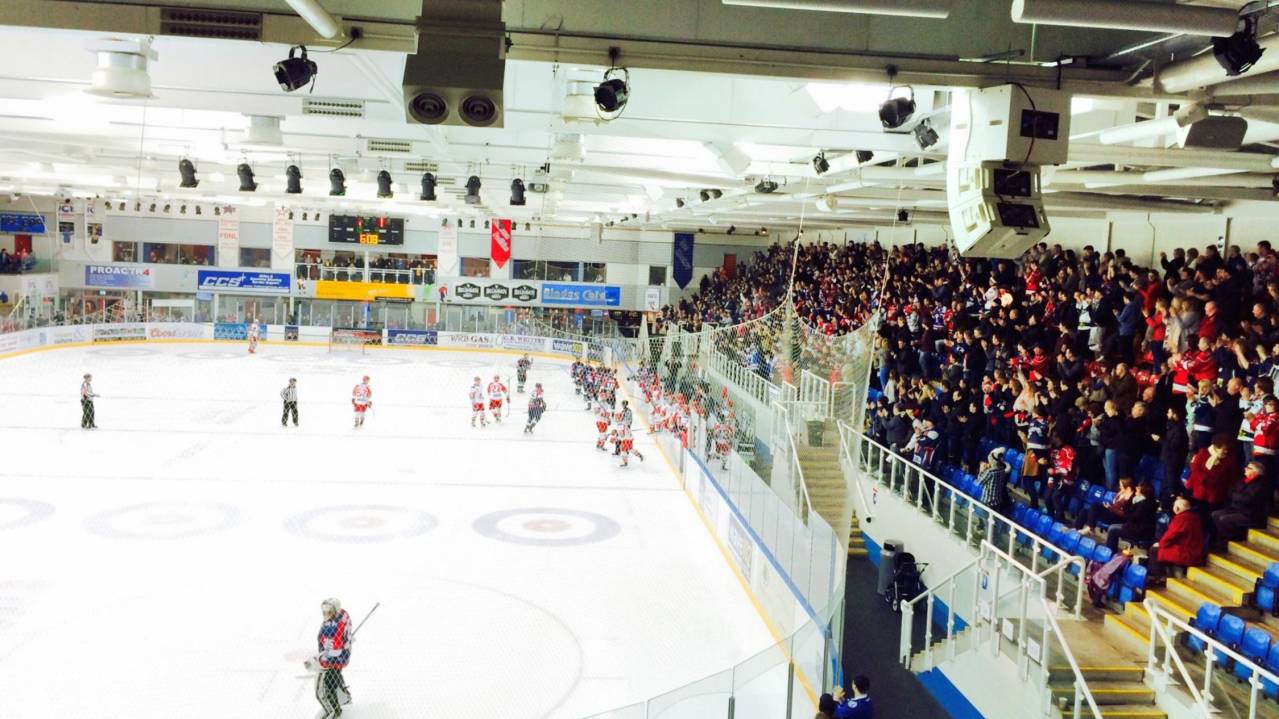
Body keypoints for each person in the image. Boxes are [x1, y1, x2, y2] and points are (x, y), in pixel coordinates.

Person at [1146, 497, 1206, 583]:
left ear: (1177, 508)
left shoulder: (1182, 518)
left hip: (1187, 552)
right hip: (1194, 550)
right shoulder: (1194, 517)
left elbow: (1171, 535)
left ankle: (1161, 577)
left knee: (1154, 550)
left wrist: (1161, 544)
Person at [1212, 461, 1274, 543]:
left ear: (1256, 472)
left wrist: (1237, 496)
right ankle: (1227, 538)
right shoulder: (1242, 480)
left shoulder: (1261, 485)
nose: (1245, 469)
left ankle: (1231, 539)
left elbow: (1249, 500)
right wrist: (1240, 496)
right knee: (1215, 515)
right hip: (1235, 509)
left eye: (1249, 468)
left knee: (1224, 519)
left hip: (1249, 514)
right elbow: (1230, 493)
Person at [311, 597, 352, 719]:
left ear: (335, 611)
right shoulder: (337, 618)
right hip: (335, 660)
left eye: (328, 610)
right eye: (323, 610)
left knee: (328, 686)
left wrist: (321, 657)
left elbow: (336, 650)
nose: (325, 613)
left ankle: (335, 711)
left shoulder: (335, 626)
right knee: (333, 682)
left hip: (334, 661)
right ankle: (342, 698)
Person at [1104, 481, 1157, 552]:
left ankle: (1110, 552)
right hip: (1135, 527)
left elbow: (1132, 517)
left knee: (1112, 529)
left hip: (1140, 531)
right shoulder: (1143, 501)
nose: (1136, 488)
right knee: (1113, 527)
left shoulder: (1144, 504)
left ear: (1143, 491)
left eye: (1138, 488)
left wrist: (1132, 503)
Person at [976, 447, 1011, 515]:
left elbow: (979, 482)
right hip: (997, 502)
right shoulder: (1002, 470)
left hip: (987, 502)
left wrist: (981, 470)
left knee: (985, 521)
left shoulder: (990, 472)